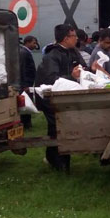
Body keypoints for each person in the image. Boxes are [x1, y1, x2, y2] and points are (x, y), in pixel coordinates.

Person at [35, 24, 87, 173]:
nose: (77, 39)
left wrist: (88, 70)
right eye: (74, 36)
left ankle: (54, 159)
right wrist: (72, 76)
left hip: (65, 98)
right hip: (49, 99)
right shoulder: (52, 56)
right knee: (57, 128)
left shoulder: (73, 52)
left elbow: (82, 67)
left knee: (59, 128)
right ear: (66, 38)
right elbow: (51, 78)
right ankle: (59, 163)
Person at [19, 36, 38, 130]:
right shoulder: (23, 53)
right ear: (27, 42)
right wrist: (25, 85)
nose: (35, 45)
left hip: (28, 83)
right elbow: (22, 69)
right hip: (26, 84)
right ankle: (26, 124)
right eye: (33, 43)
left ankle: (27, 123)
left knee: (28, 102)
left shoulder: (26, 52)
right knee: (26, 103)